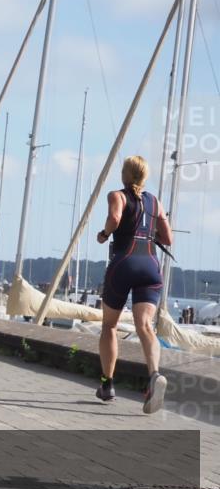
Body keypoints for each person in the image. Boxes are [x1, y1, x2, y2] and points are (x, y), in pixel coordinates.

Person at [94, 155, 173, 414]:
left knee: (110, 325)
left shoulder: (117, 195)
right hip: (151, 266)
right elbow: (168, 238)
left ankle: (107, 384)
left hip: (124, 263)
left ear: (125, 175)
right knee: (145, 327)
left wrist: (104, 235)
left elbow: (115, 219)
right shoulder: (155, 202)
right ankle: (154, 375)